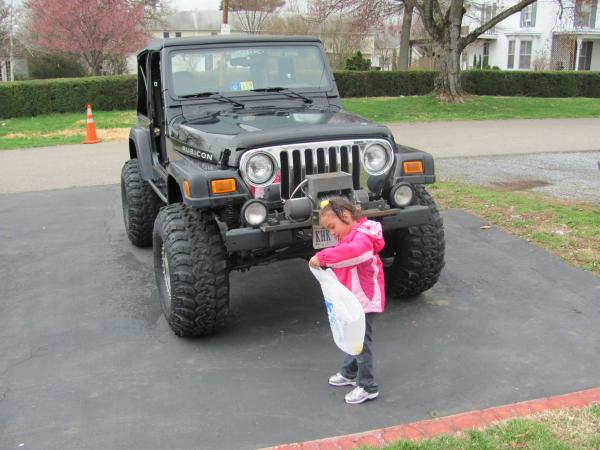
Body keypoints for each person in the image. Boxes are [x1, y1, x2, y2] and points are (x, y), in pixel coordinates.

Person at [308, 197, 385, 404]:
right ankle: (349, 373)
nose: (331, 232)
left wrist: (324, 257)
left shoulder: (362, 237)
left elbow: (355, 254)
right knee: (353, 336)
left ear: (346, 216)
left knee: (360, 342)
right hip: (354, 298)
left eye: (332, 227)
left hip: (365, 298)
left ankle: (367, 386)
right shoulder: (349, 236)